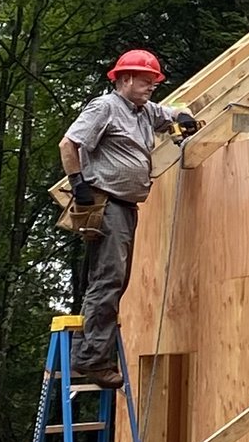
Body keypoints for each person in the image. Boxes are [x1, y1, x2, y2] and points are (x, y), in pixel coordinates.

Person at [59, 49, 197, 388]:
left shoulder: (144, 111)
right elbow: (68, 144)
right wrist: (78, 184)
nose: (152, 86)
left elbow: (175, 112)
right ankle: (92, 359)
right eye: (146, 81)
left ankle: (91, 350)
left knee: (114, 280)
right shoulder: (105, 107)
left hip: (126, 207)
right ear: (124, 79)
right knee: (109, 279)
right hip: (106, 205)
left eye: (154, 81)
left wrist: (186, 119)